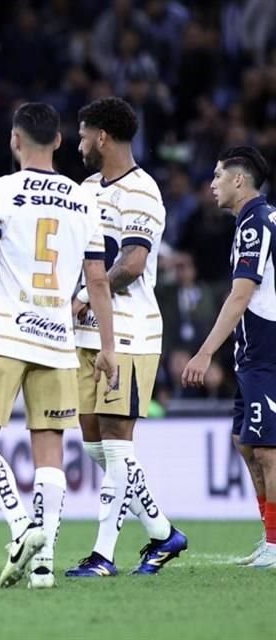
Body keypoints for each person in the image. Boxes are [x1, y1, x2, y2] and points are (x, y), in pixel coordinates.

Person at [0, 102, 117, 588]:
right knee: (50, 452)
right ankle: (43, 566)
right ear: (60, 142)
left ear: (14, 141)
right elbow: (98, 281)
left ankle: (22, 527)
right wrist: (107, 346)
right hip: (58, 340)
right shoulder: (84, 199)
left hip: (3, 332)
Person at [67, 96, 188, 579]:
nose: (78, 145)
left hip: (130, 333)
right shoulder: (86, 189)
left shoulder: (142, 192)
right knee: (95, 442)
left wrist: (85, 293)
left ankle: (102, 555)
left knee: (117, 441)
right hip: (84, 334)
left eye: (81, 135)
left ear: (102, 137)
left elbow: (133, 264)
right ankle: (161, 532)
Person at [182, 146, 276, 569]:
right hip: (252, 351)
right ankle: (269, 537)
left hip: (267, 352)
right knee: (246, 443)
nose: (212, 184)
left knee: (268, 450)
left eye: (218, 176)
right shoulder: (256, 220)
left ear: (240, 180)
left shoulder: (256, 224)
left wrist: (204, 352)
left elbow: (241, 294)